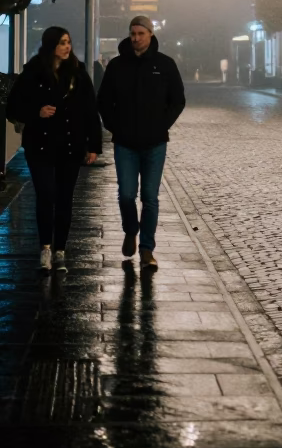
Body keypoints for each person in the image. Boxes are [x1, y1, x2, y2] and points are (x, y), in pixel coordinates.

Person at [7, 26, 101, 273]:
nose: (66, 47)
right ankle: (45, 248)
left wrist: (94, 145)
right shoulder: (33, 72)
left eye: (68, 42)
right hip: (40, 145)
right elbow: (13, 106)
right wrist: (36, 112)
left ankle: (60, 250)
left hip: (70, 145)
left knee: (64, 199)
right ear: (50, 46)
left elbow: (91, 110)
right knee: (46, 195)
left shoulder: (78, 74)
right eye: (61, 43)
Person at [97, 16, 185, 270]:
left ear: (150, 34)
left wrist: (162, 124)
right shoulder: (117, 66)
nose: (136, 38)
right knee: (126, 195)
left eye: (141, 33)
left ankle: (147, 249)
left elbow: (178, 100)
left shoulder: (165, 65)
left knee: (150, 197)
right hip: (125, 143)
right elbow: (103, 101)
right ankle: (130, 230)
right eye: (132, 33)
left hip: (155, 143)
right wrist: (115, 125)